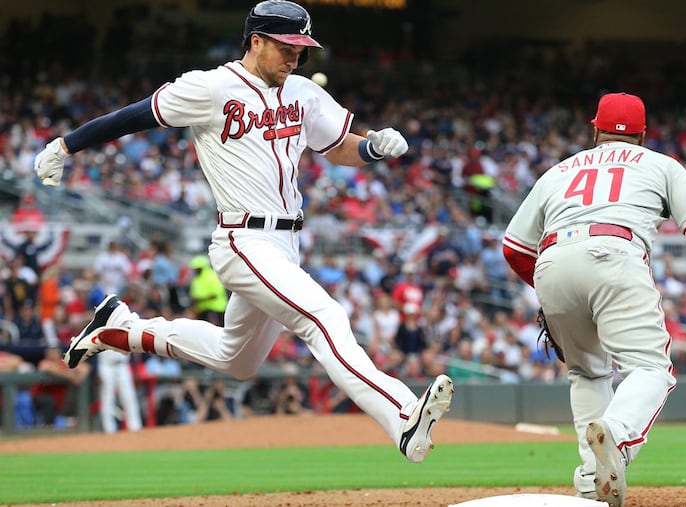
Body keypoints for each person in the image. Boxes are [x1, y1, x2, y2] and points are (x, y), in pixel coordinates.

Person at [34, 0, 453, 464]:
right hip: (243, 239)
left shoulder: (302, 93)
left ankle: (121, 329)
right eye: (286, 47)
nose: (295, 58)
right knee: (323, 318)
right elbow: (136, 115)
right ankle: (401, 415)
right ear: (256, 41)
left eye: (301, 50)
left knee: (238, 360)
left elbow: (338, 148)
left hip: (286, 244)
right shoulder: (211, 87)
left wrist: (372, 147)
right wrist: (65, 145)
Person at [501, 92, 686, 506]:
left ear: (595, 129)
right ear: (643, 134)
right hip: (615, 252)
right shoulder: (660, 164)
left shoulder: (558, 171)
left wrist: (549, 292)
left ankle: (593, 481)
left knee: (587, 373)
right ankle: (619, 438)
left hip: (552, 260)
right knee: (649, 367)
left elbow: (515, 249)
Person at [97, 350, 144, 433]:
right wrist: (96, 371)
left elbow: (131, 345)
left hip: (123, 365)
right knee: (107, 398)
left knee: (129, 396)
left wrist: (135, 367)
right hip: (106, 365)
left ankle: (135, 427)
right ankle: (108, 429)